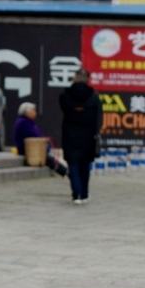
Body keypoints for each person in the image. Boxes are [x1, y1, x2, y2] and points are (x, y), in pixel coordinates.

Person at [58, 67, 102, 204]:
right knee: (85, 165)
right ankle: (84, 193)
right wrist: (96, 132)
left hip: (70, 135)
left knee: (73, 164)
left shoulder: (64, 95)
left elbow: (64, 109)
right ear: (88, 80)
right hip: (88, 136)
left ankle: (76, 194)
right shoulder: (94, 97)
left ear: (74, 78)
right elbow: (99, 118)